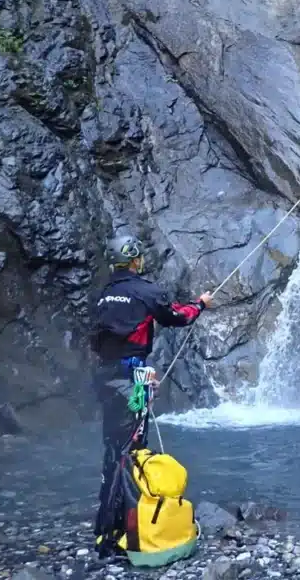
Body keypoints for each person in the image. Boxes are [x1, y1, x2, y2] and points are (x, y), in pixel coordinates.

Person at [89, 235, 214, 558]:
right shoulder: (145, 291)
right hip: (132, 379)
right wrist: (201, 303)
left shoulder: (104, 295)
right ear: (134, 260)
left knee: (113, 450)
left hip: (106, 378)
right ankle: (121, 532)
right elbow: (178, 316)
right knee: (132, 449)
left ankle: (108, 526)